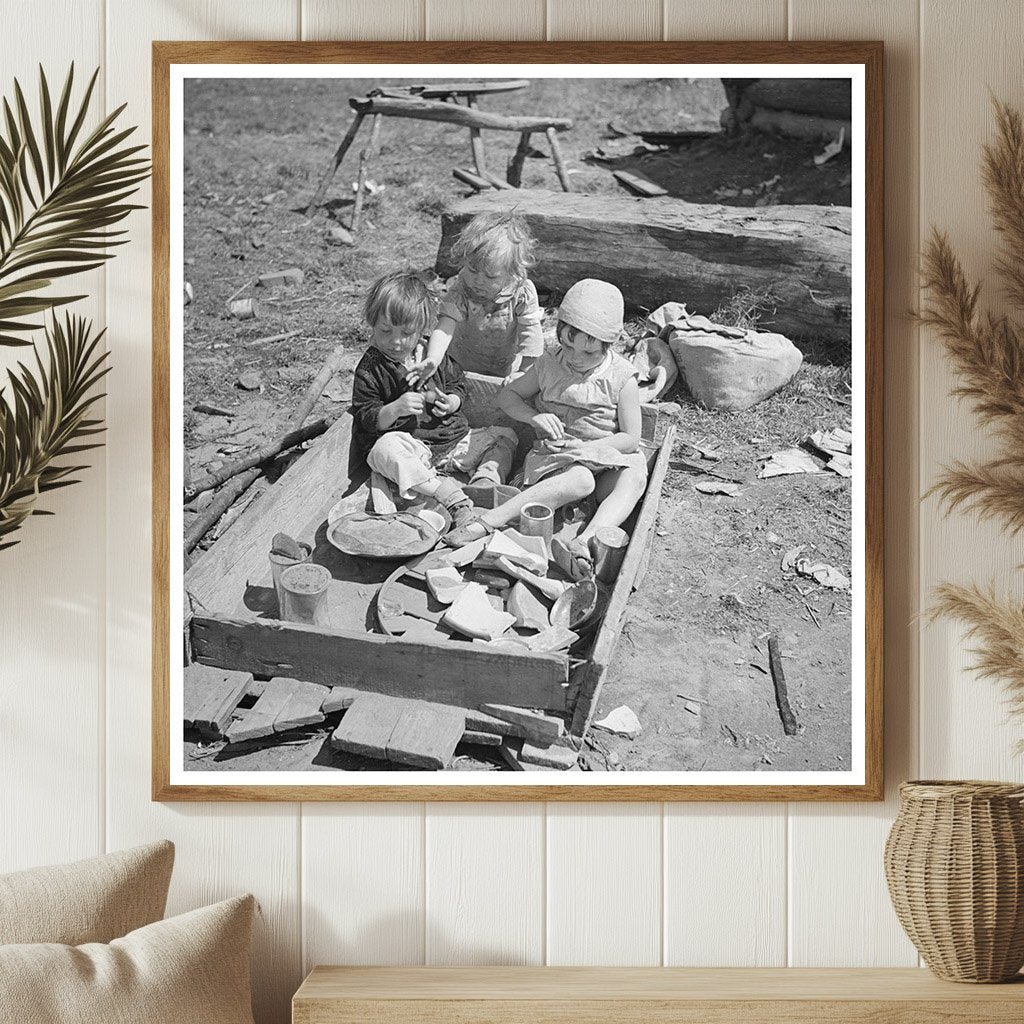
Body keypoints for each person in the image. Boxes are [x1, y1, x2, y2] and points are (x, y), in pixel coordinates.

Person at [443, 279, 648, 579]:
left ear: (610, 343)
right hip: (556, 463)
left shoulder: (621, 377)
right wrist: (533, 417)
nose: (576, 357)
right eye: (569, 345)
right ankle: (488, 522)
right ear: (561, 333)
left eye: (589, 352)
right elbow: (506, 396)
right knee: (581, 479)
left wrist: (592, 449)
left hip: (601, 458)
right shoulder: (549, 365)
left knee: (635, 474)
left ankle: (586, 540)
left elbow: (631, 439)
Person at [349, 271, 518, 527]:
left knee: (507, 434)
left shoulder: (431, 354)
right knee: (384, 450)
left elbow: (458, 382)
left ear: (421, 328)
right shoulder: (371, 368)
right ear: (372, 324)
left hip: (452, 441)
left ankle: (485, 482)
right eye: (385, 331)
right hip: (415, 450)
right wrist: (395, 408)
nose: (395, 341)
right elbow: (366, 418)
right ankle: (449, 497)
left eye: (406, 333)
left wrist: (452, 401)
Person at [406, 212, 544, 428]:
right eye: (472, 269)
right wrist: (433, 358)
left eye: (491, 276)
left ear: (512, 272)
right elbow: (445, 325)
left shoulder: (521, 292)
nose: (478, 280)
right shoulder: (462, 289)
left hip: (501, 367)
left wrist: (524, 372)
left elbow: (531, 336)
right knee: (457, 398)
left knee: (496, 405)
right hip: (460, 364)